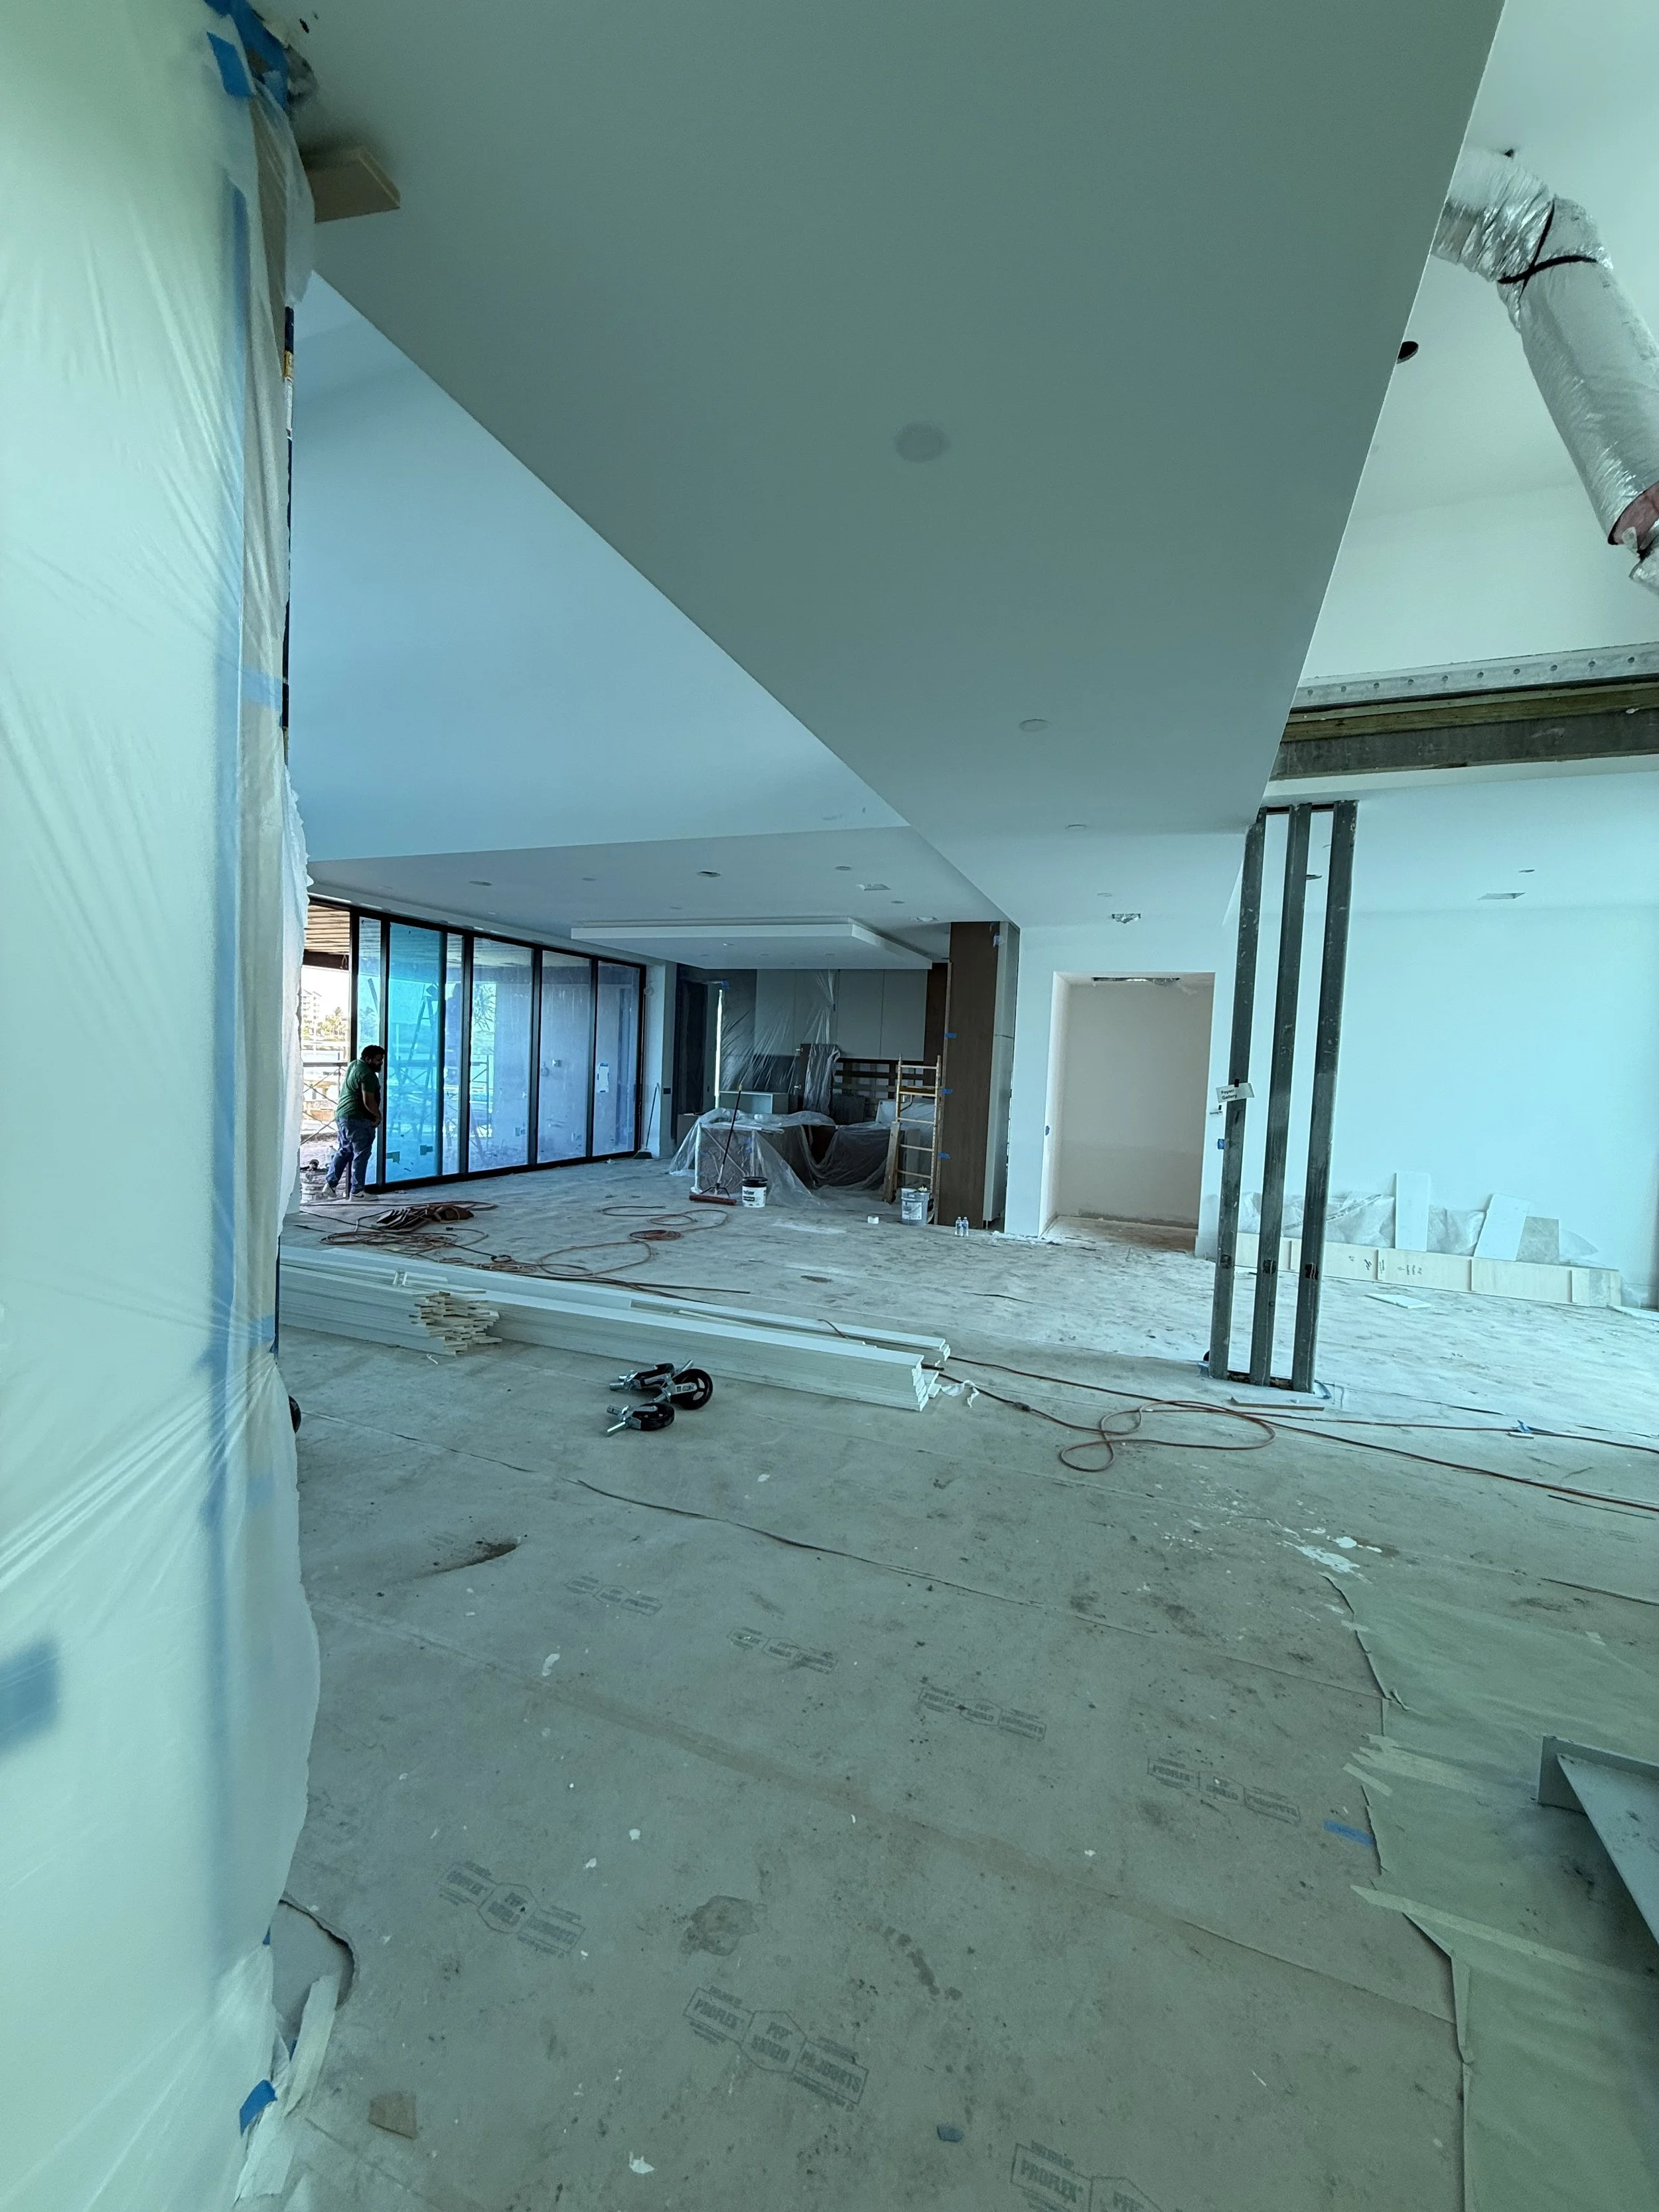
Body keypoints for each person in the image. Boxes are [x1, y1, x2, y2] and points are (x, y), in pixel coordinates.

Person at [325, 1044, 384, 1199]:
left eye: (382, 1060)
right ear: (367, 1059)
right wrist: (378, 1115)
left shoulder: (354, 1065)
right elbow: (368, 1101)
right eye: (378, 1060)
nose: (381, 1063)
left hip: (343, 1115)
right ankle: (357, 1192)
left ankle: (330, 1184)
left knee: (345, 1150)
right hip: (358, 1118)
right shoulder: (368, 1074)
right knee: (362, 1152)